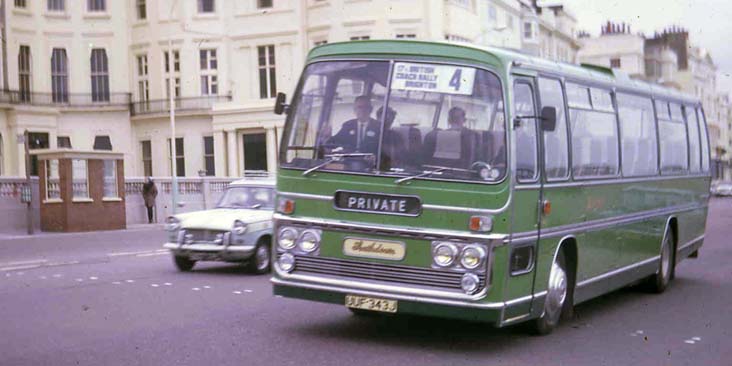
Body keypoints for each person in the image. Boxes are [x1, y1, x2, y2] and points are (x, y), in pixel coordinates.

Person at [376, 106, 406, 170]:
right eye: (385, 119)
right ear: (378, 118)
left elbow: (402, 156)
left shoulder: (397, 137)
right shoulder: (372, 135)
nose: (387, 122)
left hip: (394, 170)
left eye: (391, 119)